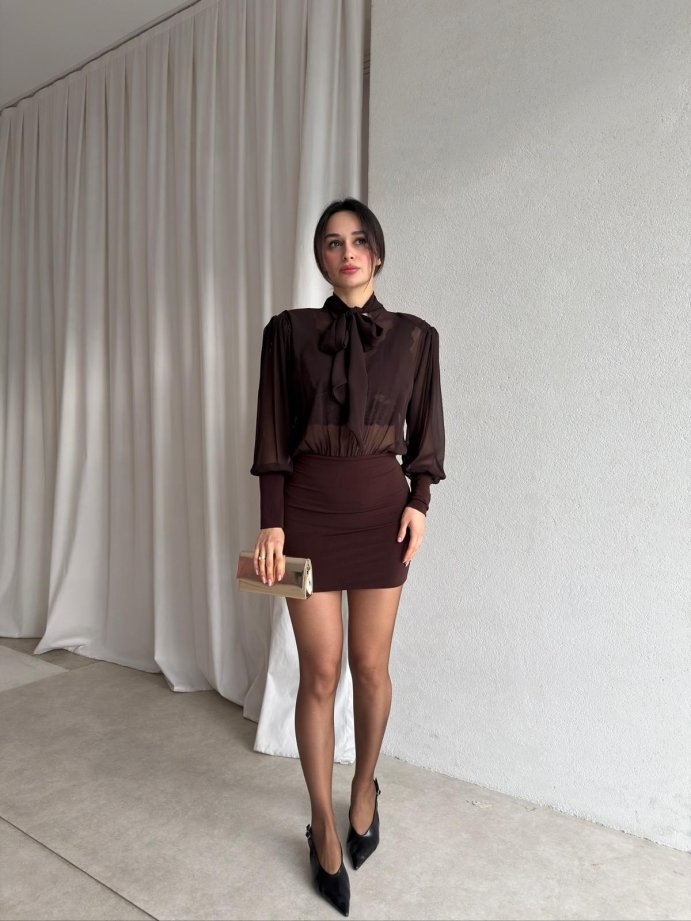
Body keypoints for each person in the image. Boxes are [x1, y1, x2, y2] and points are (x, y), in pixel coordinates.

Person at [250, 198, 445, 916]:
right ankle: (322, 821)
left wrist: (419, 502)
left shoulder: (416, 337)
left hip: (380, 516)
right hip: (306, 513)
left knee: (369, 666)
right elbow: (272, 430)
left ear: (378, 252)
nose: (347, 251)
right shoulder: (287, 332)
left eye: (359, 240)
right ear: (320, 259)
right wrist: (271, 523)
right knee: (320, 672)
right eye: (332, 243)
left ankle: (364, 787)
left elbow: (426, 432)